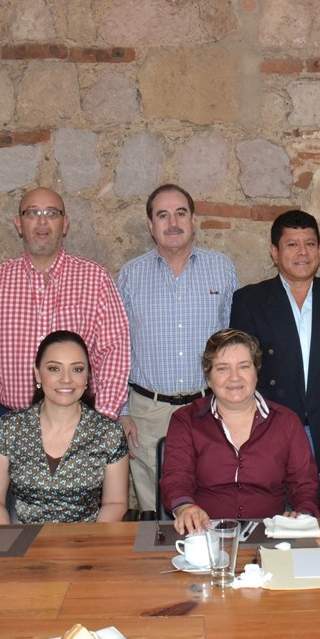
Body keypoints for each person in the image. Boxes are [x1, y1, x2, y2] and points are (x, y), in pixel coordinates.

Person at [0, 188, 130, 454]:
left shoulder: (95, 280)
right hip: (8, 425)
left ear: (65, 224)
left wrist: (102, 422)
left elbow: (113, 352)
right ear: (18, 224)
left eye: (51, 213)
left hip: (79, 426)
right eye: (32, 213)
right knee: (1, 498)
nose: (42, 221)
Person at [116, 184, 238, 517]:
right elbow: (117, 348)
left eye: (180, 213)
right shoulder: (129, 276)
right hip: (148, 413)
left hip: (207, 408)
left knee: (210, 500)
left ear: (194, 219)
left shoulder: (222, 269)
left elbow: (231, 345)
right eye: (163, 215)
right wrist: (121, 410)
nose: (173, 223)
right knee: (156, 514)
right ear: (150, 225)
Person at [230, 210, 320, 468]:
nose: (302, 252)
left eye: (310, 243)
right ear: (274, 251)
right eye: (292, 244)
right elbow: (242, 370)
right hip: (270, 429)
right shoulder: (250, 301)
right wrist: (265, 422)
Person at [160, 328, 320, 535]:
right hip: (203, 535)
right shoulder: (185, 420)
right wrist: (185, 507)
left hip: (270, 536)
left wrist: (302, 514)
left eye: (243, 366)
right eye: (222, 369)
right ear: (208, 378)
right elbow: (177, 477)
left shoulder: (286, 421)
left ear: (256, 372)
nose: (234, 377)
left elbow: (305, 483)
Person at [0, 331, 129, 524]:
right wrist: (11, 546)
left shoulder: (109, 433)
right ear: (37, 373)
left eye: (77, 369)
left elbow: (115, 503)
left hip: (86, 543)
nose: (66, 379)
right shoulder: (11, 428)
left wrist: (91, 542)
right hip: (22, 544)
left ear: (88, 376)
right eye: (54, 369)